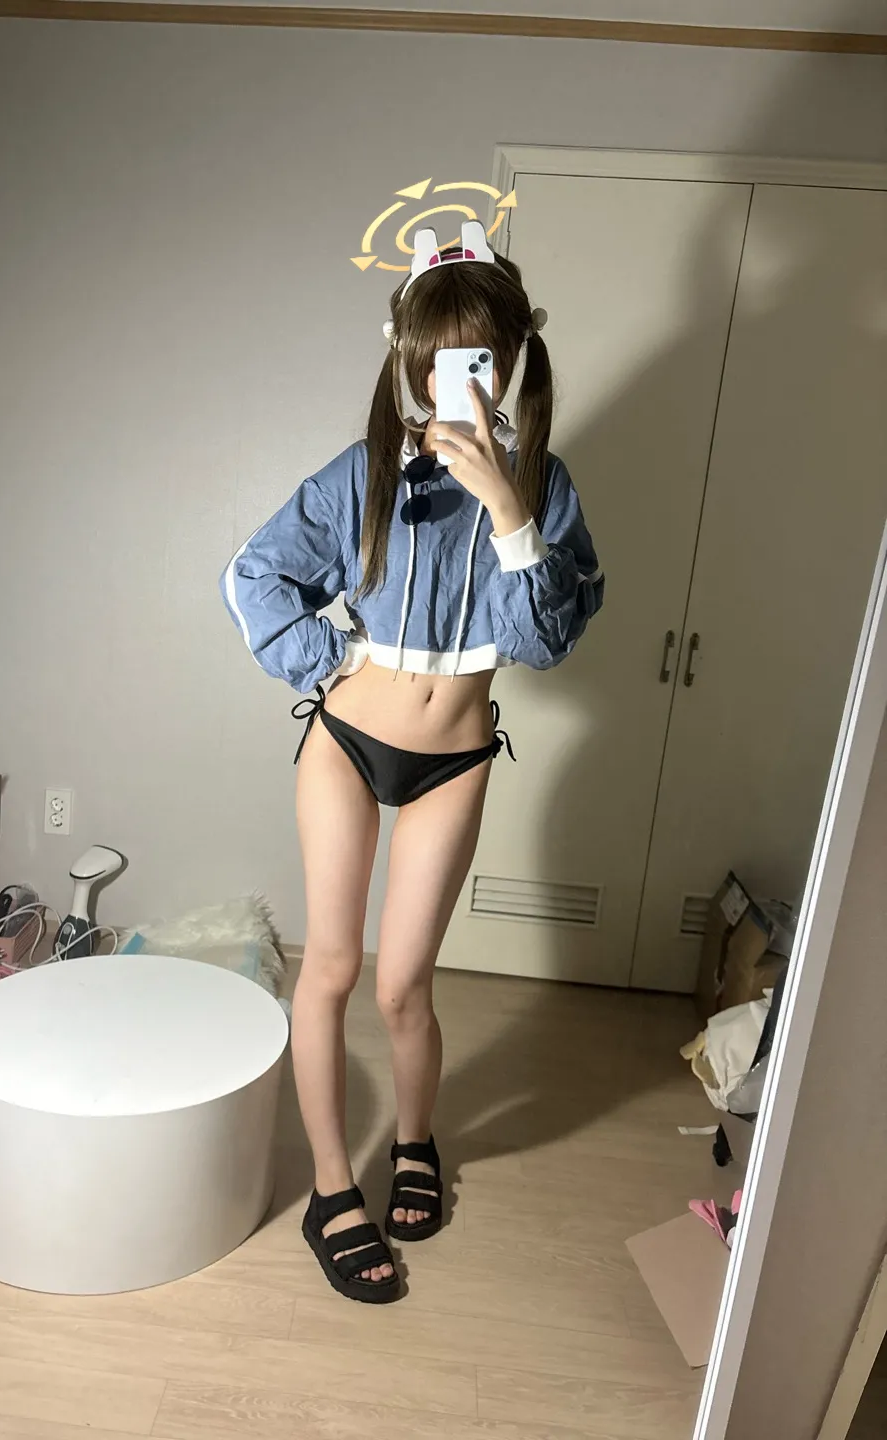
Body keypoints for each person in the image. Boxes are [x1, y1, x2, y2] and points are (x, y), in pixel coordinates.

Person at [219, 220, 604, 1303]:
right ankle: (330, 1189)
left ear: (510, 363)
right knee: (332, 969)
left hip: (456, 760)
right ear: (409, 363)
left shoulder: (543, 487)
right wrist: (338, 659)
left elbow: (544, 641)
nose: (456, 381)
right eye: (436, 360)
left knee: (403, 987)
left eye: (478, 358)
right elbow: (253, 575)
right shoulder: (364, 477)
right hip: (347, 745)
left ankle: (416, 1141)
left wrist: (512, 513)